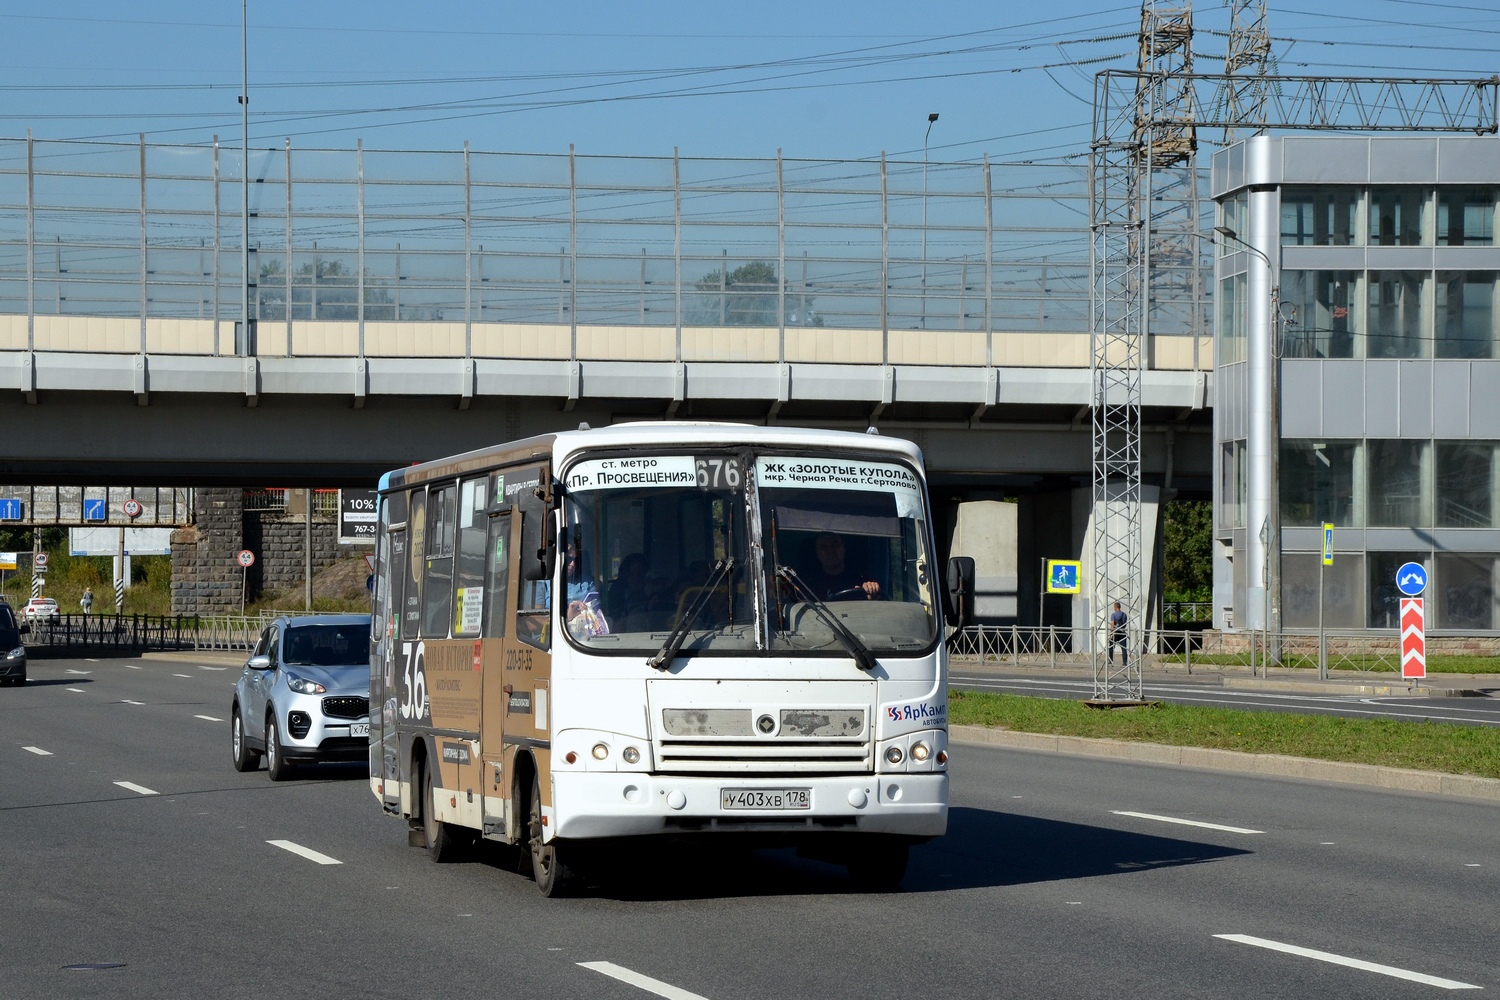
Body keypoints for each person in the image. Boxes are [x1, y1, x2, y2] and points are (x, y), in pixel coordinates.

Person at [803, 532, 880, 601]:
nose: (830, 551)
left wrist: (872, 592)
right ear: (817, 553)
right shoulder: (807, 586)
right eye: (823, 547)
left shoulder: (862, 579)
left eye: (835, 545)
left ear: (843, 548)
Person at [1108, 601, 1128, 666]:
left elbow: (1112, 624)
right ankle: (1125, 662)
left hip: (1115, 633)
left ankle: (1110, 661)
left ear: (1115, 607)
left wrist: (1111, 633)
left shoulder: (1113, 615)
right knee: (1124, 648)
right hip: (1122, 633)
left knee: (1111, 647)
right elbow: (1125, 624)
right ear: (1120, 607)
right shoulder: (1124, 615)